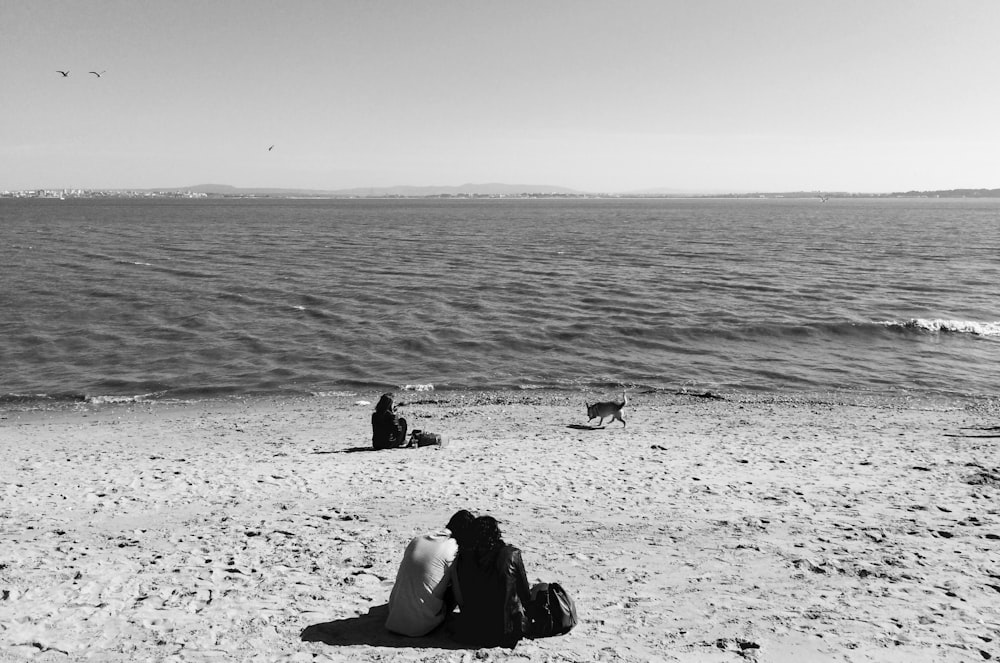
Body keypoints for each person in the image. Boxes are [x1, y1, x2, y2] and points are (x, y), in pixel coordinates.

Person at [385, 510, 475, 637]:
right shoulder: (454, 549)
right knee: (457, 579)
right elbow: (458, 587)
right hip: (420, 626)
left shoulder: (417, 539)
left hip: (393, 616)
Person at [450, 516, 532, 648]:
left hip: (470, 632)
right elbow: (525, 595)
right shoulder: (511, 554)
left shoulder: (463, 558)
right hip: (504, 634)